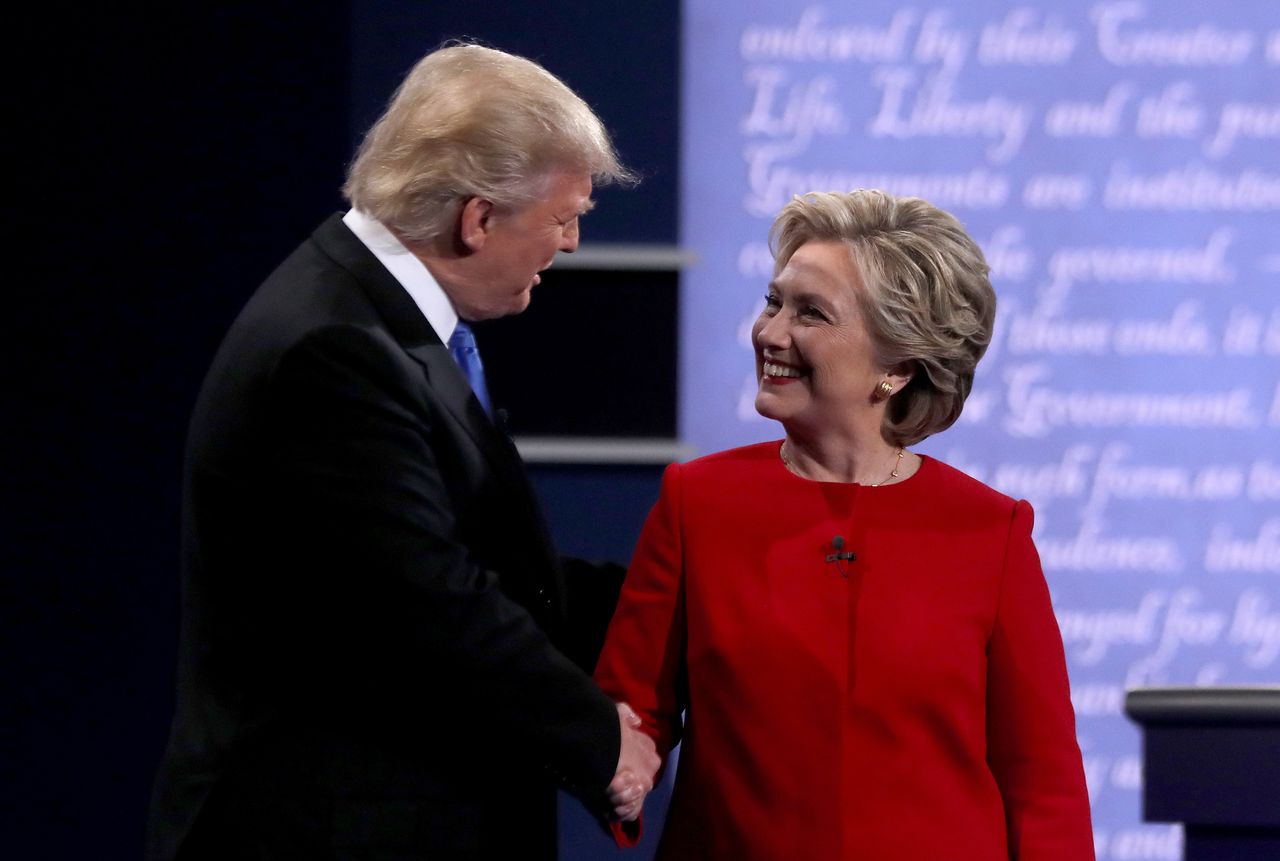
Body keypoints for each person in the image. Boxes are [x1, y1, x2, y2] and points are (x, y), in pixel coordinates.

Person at [146, 43, 659, 861]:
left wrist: (674, 610)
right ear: (479, 217)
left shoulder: (374, 314)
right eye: (565, 218)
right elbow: (430, 604)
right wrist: (599, 738)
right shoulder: (335, 350)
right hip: (323, 830)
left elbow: (482, 568)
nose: (567, 245)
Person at [595, 190, 1095, 859]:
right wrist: (625, 760)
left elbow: (1042, 781)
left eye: (811, 314)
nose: (770, 333)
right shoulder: (698, 501)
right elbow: (634, 707)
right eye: (774, 302)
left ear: (896, 367)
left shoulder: (990, 530)